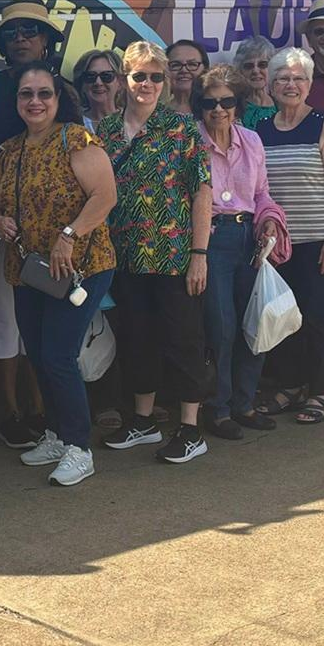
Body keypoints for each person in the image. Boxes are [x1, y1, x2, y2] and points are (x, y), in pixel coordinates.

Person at [0, 64, 118, 487]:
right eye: (27, 94)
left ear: (58, 101)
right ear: (17, 102)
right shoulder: (10, 150)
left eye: (44, 93)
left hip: (80, 267)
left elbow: (105, 195)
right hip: (30, 272)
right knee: (39, 355)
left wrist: (68, 235)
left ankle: (80, 448)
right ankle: (57, 436)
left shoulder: (75, 139)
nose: (35, 101)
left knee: (59, 356)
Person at [96, 42, 214, 464]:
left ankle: (190, 428)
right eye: (138, 75)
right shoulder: (106, 132)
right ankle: (143, 421)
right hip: (125, 256)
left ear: (165, 83)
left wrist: (200, 252)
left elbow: (202, 192)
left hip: (174, 255)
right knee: (137, 339)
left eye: (155, 77)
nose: (146, 84)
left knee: (183, 340)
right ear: (125, 79)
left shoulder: (181, 129)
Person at [0, 2, 62, 450]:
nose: (22, 39)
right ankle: (10, 411)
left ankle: (41, 407)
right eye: (12, 34)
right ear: (3, 46)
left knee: (42, 324)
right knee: (4, 322)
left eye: (31, 31)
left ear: (47, 40)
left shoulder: (63, 92)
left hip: (50, 235)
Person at [257, 48, 324, 425]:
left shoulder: (323, 125)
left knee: (315, 319)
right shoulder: (259, 131)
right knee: (280, 318)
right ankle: (288, 386)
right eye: (282, 78)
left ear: (310, 85)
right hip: (275, 248)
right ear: (270, 85)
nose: (290, 85)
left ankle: (320, 390)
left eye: (298, 78)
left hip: (315, 242)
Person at [194, 67, 287, 438]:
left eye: (227, 101)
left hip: (249, 237)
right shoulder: (191, 142)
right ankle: (217, 409)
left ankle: (244, 404)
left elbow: (262, 192)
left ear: (238, 104)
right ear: (199, 106)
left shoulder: (251, 140)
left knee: (256, 323)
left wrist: (268, 222)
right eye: (210, 103)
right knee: (222, 328)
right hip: (212, 240)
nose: (219, 109)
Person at [232, 37, 281, 129]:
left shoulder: (281, 103)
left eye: (262, 64)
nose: (255, 71)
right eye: (248, 66)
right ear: (240, 70)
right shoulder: (234, 108)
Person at [74, 47, 124, 126]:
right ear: (82, 84)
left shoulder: (134, 122)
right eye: (90, 76)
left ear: (120, 83)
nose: (98, 82)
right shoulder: (72, 124)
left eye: (106, 76)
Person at [165, 39, 209, 117]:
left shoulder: (216, 109)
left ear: (205, 69)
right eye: (176, 65)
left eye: (192, 64)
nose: (184, 70)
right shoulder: (155, 112)